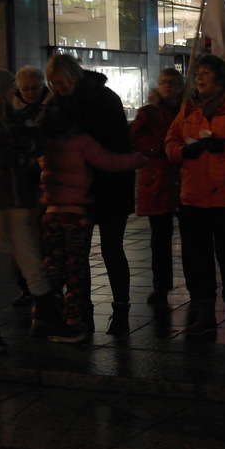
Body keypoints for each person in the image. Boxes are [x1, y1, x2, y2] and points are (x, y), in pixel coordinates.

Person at [164, 54, 225, 341]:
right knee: (200, 257)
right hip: (193, 194)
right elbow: (169, 144)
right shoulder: (188, 109)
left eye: (205, 73)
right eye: (198, 73)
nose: (199, 78)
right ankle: (205, 312)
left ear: (220, 78)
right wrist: (184, 151)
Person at [37, 108, 147, 343]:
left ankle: (45, 316)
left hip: (51, 214)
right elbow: (110, 161)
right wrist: (140, 159)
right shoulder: (81, 141)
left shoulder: (43, 144)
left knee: (52, 266)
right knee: (76, 268)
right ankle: (73, 319)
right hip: (76, 215)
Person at [45, 53, 135, 335]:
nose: (59, 88)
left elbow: (117, 144)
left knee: (111, 248)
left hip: (110, 187)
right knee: (76, 255)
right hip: (77, 190)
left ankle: (120, 310)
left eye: (62, 82)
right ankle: (82, 310)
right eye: (54, 83)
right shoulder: (56, 103)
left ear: (74, 76)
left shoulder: (104, 99)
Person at [0, 68, 55, 353]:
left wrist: (15, 147)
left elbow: (37, 142)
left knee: (31, 260)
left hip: (17, 198)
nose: (15, 93)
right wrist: (21, 154)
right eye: (11, 88)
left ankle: (51, 320)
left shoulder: (16, 114)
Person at [129, 68, 185, 306]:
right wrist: (162, 147)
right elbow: (135, 138)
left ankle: (195, 287)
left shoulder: (186, 111)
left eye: (173, 82)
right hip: (158, 181)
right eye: (164, 82)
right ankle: (161, 286)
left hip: (183, 180)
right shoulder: (148, 113)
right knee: (160, 240)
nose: (168, 86)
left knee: (191, 239)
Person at [8, 65, 50, 307]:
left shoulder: (51, 108)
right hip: (23, 179)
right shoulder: (13, 109)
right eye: (25, 88)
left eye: (34, 88)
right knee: (23, 236)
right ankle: (26, 286)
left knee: (43, 236)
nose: (30, 92)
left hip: (46, 179)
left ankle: (47, 285)